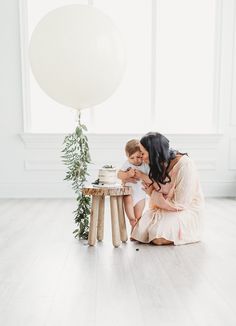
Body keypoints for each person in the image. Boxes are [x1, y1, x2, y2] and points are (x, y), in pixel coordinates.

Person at [131, 132, 204, 245]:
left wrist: (152, 192)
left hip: (184, 209)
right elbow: (159, 191)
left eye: (143, 153)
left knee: (157, 237)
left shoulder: (185, 165)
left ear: (153, 153)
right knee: (139, 232)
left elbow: (180, 203)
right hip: (166, 206)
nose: (140, 157)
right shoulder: (159, 163)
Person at [117, 139, 150, 229]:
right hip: (129, 193)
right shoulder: (127, 164)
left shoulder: (145, 165)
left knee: (138, 217)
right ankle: (131, 218)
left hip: (141, 195)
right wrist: (127, 174)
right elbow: (119, 175)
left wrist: (142, 176)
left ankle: (134, 231)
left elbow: (150, 179)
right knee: (127, 200)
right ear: (127, 157)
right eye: (132, 158)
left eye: (139, 157)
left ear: (142, 154)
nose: (136, 160)